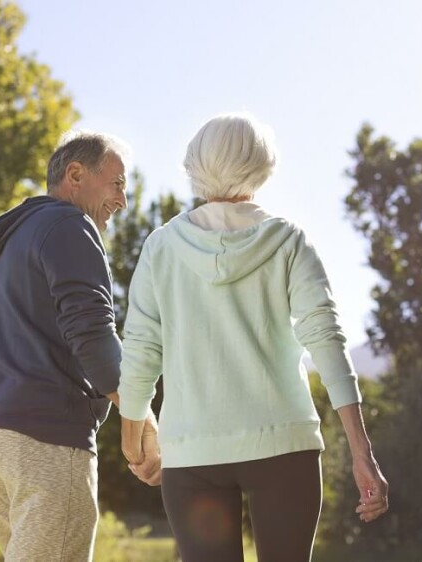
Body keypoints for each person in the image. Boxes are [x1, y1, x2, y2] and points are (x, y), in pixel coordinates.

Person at [117, 113, 389, 562]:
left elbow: (142, 349)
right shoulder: (288, 240)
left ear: (194, 165)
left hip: (193, 452)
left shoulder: (160, 247)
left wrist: (134, 439)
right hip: (284, 446)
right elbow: (326, 339)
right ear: (262, 165)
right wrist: (362, 452)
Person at [0, 131, 162, 561]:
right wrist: (144, 419)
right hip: (45, 441)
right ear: (75, 174)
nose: (122, 202)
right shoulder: (70, 226)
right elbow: (94, 338)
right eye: (117, 184)